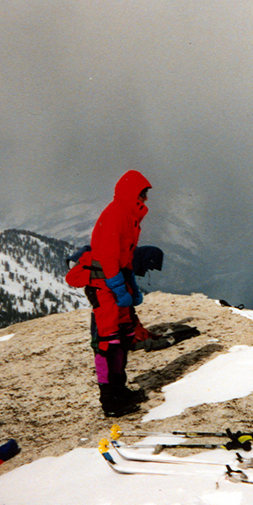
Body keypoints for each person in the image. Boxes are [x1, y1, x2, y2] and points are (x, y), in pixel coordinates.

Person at [86, 170, 152, 417]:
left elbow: (125, 255)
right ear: (132, 194)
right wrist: (118, 286)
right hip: (103, 284)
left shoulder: (130, 216)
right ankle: (109, 400)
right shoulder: (116, 214)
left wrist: (130, 283)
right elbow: (107, 256)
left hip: (116, 280)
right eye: (142, 194)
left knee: (123, 337)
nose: (145, 199)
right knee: (108, 342)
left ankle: (119, 389)